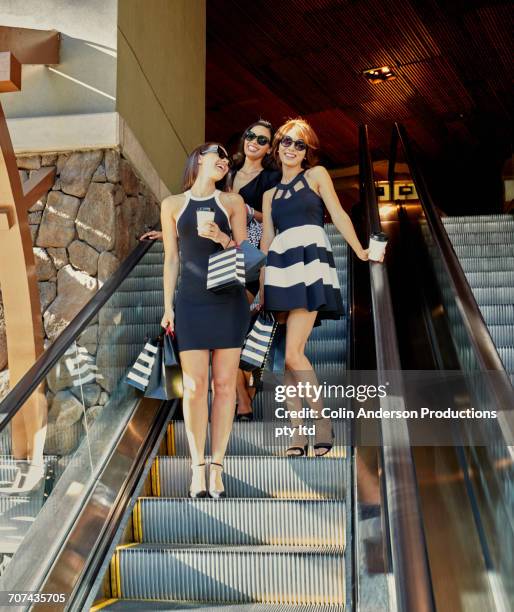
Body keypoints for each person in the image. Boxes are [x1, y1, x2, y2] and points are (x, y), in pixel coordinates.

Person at [260, 118, 384, 457]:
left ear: (307, 152)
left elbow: (339, 213)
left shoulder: (316, 176)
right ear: (277, 146)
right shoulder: (270, 194)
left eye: (300, 144)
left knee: (293, 353)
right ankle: (297, 434)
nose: (291, 148)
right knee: (286, 359)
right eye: (286, 141)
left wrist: (360, 250)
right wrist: (260, 287)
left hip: (310, 263)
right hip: (279, 270)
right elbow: (268, 242)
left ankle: (322, 421)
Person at [160, 142, 250, 498]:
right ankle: (197, 468)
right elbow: (171, 259)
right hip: (192, 302)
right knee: (195, 387)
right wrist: (168, 306)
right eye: (218, 154)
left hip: (227, 301)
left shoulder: (232, 203)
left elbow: (247, 254)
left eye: (228, 158)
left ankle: (217, 468)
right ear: (199, 159)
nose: (225, 161)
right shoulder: (172, 204)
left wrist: (222, 237)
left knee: (225, 385)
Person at [225, 120, 281, 420]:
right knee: (225, 331)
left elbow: (272, 218)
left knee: (239, 329)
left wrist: (246, 210)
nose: (254, 142)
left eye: (262, 140)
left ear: (269, 148)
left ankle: (249, 393)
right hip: (222, 253)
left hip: (252, 253)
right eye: (250, 135)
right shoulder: (228, 172)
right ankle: (243, 397)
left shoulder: (271, 178)